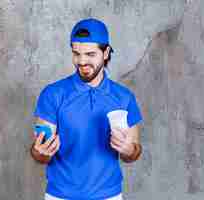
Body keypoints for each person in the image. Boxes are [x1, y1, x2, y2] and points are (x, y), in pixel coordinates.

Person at [30, 18, 143, 200]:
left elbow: (134, 153)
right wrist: (40, 152)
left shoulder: (124, 97)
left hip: (109, 196)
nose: (81, 61)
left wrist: (128, 149)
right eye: (76, 53)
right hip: (60, 196)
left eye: (90, 54)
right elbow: (40, 153)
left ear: (105, 53)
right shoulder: (53, 94)